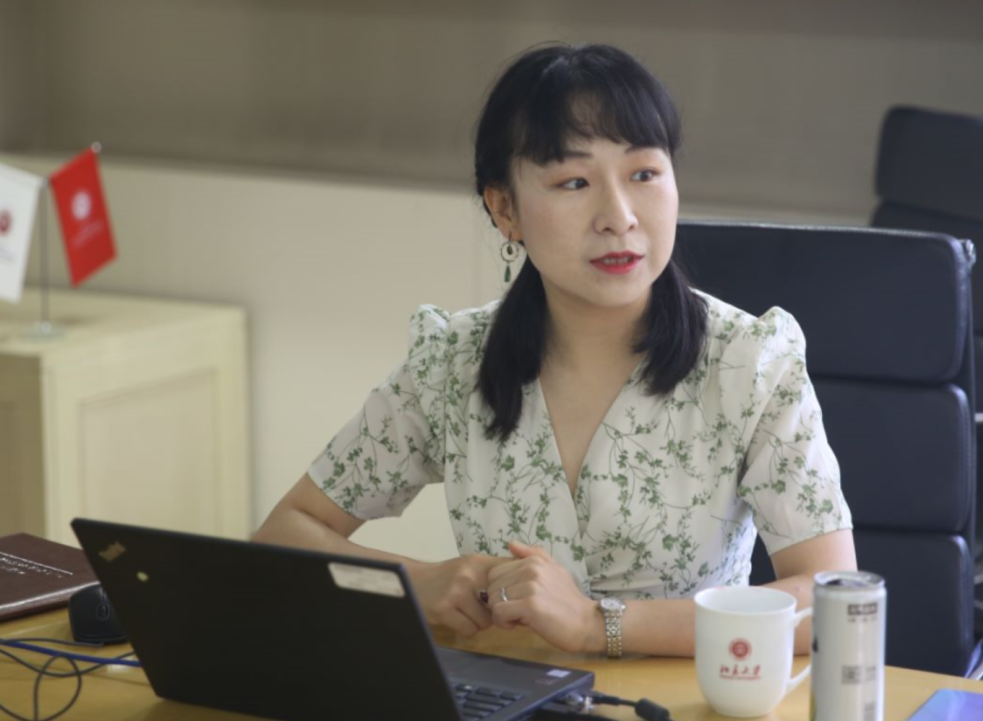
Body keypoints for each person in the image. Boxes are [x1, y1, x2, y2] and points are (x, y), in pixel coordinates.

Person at [253, 43, 856, 658]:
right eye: (574, 182)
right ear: (505, 209)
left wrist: (599, 624)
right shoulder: (451, 363)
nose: (619, 217)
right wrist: (413, 583)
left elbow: (833, 602)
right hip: (507, 693)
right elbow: (283, 538)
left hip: (683, 697)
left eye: (644, 174)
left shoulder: (751, 363)